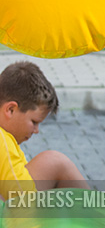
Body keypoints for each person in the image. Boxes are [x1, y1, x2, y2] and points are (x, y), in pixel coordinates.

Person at [0, 61, 87, 200]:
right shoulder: (2, 140)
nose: (36, 131)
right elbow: (19, 198)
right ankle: (99, 215)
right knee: (55, 162)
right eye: (34, 122)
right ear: (10, 110)